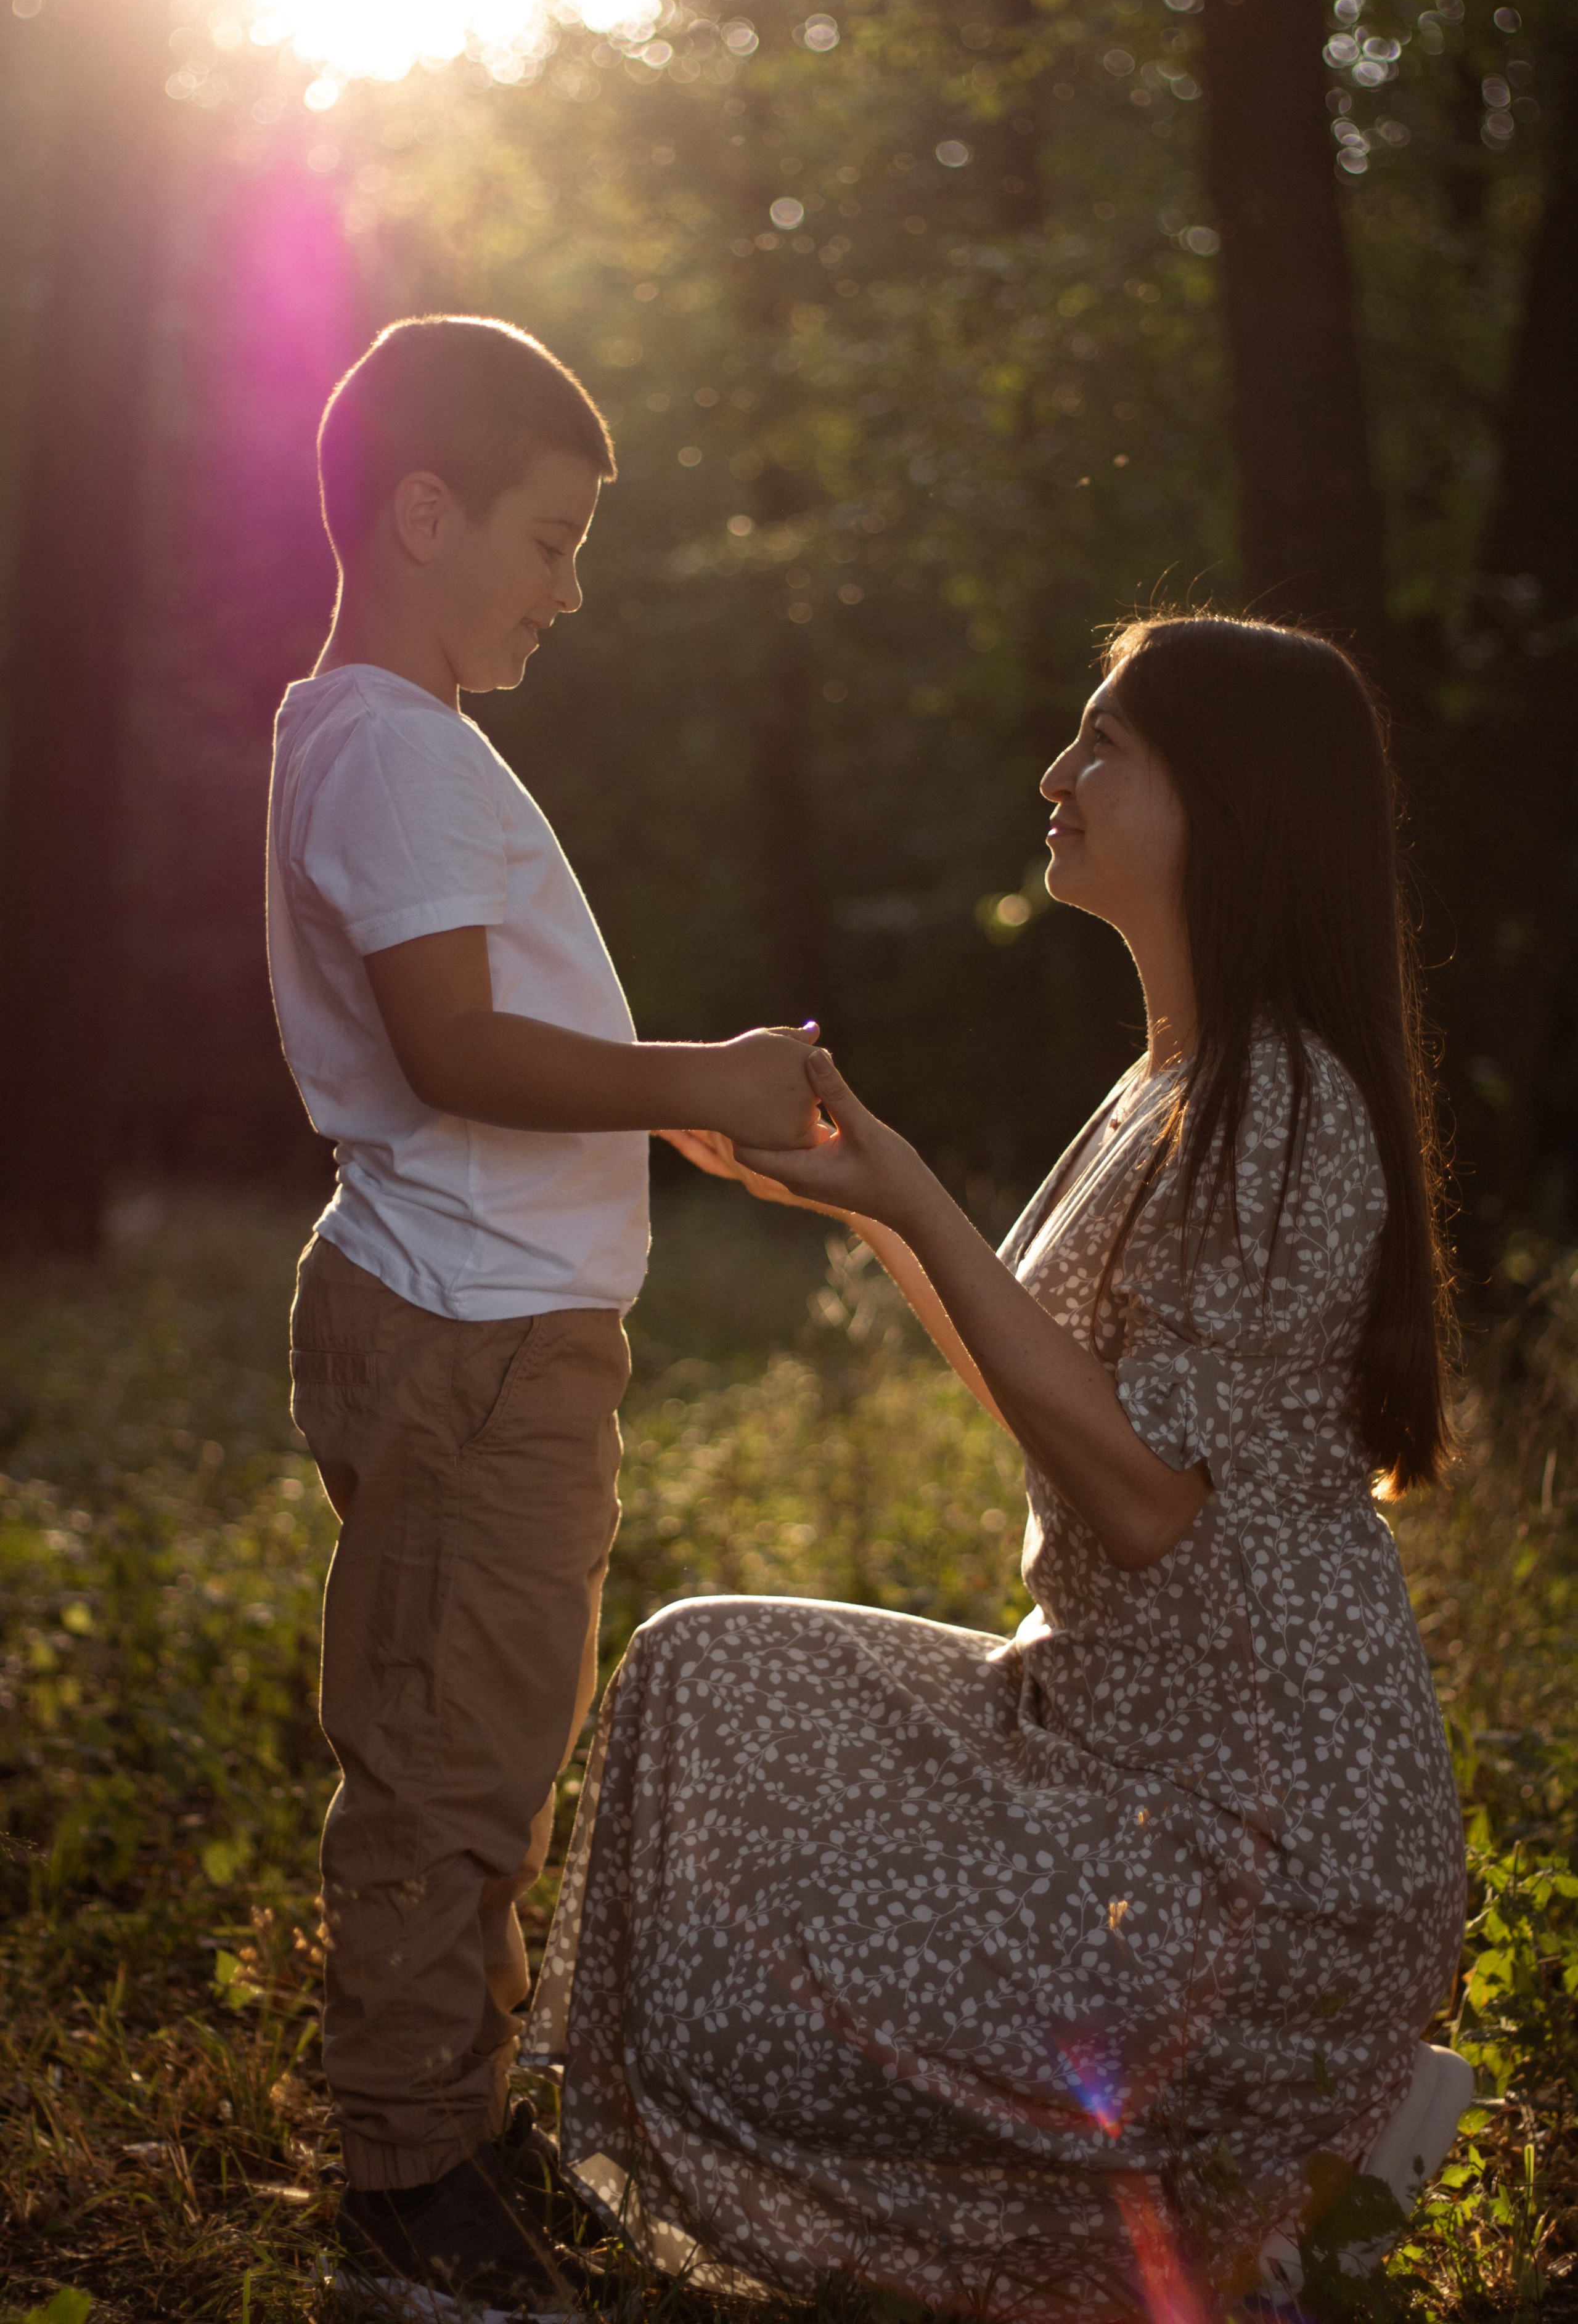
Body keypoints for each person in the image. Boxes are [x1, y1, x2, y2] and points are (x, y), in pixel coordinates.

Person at [523, 614, 1469, 2318]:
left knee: (738, 1992)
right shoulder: (1173, 1083)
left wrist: (904, 1199)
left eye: (1107, 744)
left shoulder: (1290, 1108)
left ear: (1231, 801)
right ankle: (1252, 2187)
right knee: (703, 1673)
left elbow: (1140, 1495)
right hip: (1102, 1733)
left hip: (1253, 1841)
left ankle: (1277, 2149)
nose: (1057, 774)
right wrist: (870, 1186)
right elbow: (1056, 1407)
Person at [266, 314, 822, 2314]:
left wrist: (692, 1129)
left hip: (499, 1322)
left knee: (489, 1746)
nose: (571, 588)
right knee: (442, 1761)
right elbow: (457, 1049)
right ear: (427, 513)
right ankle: (410, 2199)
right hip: (471, 1344)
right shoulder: (396, 746)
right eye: (551, 537)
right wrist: (701, 1077)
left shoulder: (382, 736)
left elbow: (502, 1049)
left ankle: (462, 2133)